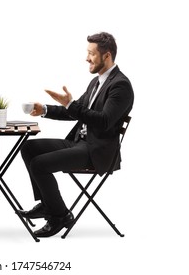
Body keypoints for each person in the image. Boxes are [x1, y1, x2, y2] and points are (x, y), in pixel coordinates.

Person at [19, 32, 134, 238]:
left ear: (106, 56)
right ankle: (48, 205)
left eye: (91, 54)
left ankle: (59, 216)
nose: (87, 58)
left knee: (39, 164)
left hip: (96, 151)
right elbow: (74, 111)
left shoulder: (120, 85)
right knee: (28, 148)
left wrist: (71, 105)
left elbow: (104, 121)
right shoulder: (96, 82)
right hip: (79, 143)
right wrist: (44, 109)